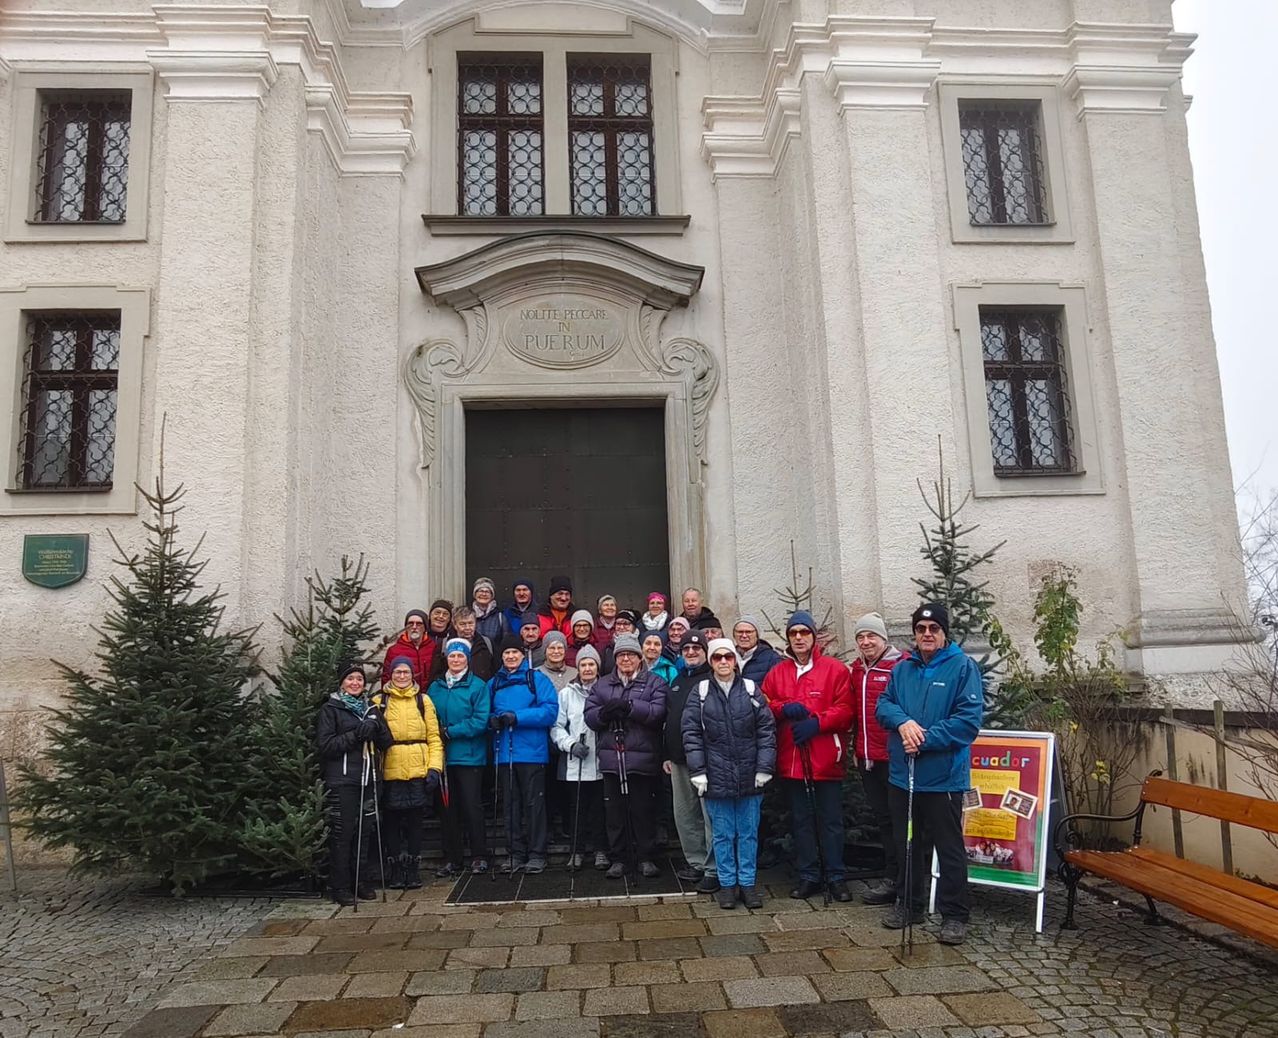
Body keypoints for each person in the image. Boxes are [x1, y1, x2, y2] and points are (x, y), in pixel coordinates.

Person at [875, 603, 983, 945]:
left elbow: (967, 722)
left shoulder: (962, 667)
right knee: (907, 842)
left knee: (948, 848)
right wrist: (903, 722)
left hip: (943, 778)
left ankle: (955, 914)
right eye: (921, 629)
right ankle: (910, 904)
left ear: (944, 633)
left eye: (933, 628)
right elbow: (884, 705)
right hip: (902, 775)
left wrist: (923, 738)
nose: (926, 634)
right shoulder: (902, 668)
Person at [762, 610, 854, 902]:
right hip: (793, 759)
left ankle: (836, 876)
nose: (799, 638)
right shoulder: (778, 671)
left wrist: (818, 722)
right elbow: (764, 702)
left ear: (813, 636)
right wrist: (782, 708)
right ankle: (809, 874)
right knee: (801, 820)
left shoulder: (835, 669)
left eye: (804, 632)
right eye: (794, 633)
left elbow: (846, 708)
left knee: (830, 820)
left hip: (825, 756)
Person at [683, 638, 777, 910]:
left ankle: (747, 884)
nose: (723, 662)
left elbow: (766, 730)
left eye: (728, 657)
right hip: (716, 774)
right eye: (717, 657)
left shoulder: (750, 690)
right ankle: (727, 885)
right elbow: (691, 733)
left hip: (749, 773)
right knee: (723, 834)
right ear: (711, 661)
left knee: (748, 833)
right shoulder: (700, 692)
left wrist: (764, 767)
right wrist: (698, 770)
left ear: (735, 660)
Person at [585, 633, 668, 878]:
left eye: (631, 655)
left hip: (642, 760)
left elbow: (658, 713)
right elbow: (590, 715)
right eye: (621, 655)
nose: (626, 659)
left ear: (640, 658)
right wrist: (604, 714)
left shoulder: (654, 682)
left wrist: (631, 707)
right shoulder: (602, 684)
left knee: (643, 810)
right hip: (613, 759)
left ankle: (646, 857)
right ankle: (618, 857)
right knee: (615, 813)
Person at [315, 663, 392, 905]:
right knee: (343, 834)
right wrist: (356, 734)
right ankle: (340, 885)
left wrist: (375, 727)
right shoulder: (331, 709)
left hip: (368, 778)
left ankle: (360, 880)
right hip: (343, 780)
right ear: (342, 683)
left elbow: (387, 740)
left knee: (364, 833)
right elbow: (326, 745)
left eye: (359, 679)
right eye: (350, 679)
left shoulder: (370, 708)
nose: (355, 683)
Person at [848, 612, 907, 905]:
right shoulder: (857, 669)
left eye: (871, 636)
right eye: (861, 637)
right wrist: (856, 749)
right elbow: (857, 715)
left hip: (894, 758)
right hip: (867, 757)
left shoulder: (900, 666)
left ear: (883, 638)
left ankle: (903, 879)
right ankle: (891, 875)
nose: (866, 641)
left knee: (900, 820)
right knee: (883, 819)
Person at [371, 657, 444, 890]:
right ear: (391, 675)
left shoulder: (424, 701)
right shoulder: (379, 701)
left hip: (417, 767)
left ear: (413, 675)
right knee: (391, 819)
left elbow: (434, 737)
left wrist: (434, 767)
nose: (401, 676)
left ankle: (412, 868)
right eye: (397, 672)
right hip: (390, 768)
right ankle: (395, 868)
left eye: (406, 672)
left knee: (415, 820)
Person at [489, 634, 560, 874]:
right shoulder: (494, 683)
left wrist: (518, 717)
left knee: (534, 805)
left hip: (532, 753)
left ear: (523, 655)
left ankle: (537, 853)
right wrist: (492, 721)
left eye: (515, 653)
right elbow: (484, 712)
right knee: (510, 807)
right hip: (504, 753)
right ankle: (515, 853)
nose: (510, 656)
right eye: (506, 653)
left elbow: (550, 711)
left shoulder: (536, 679)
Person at [426, 638, 492, 877]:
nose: (455, 660)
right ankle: (452, 857)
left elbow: (480, 720)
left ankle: (479, 855)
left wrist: (451, 731)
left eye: (460, 656)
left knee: (472, 807)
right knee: (447, 809)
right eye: (452, 656)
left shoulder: (478, 686)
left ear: (467, 659)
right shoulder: (435, 687)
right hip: (442, 757)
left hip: (469, 757)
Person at [663, 631, 719, 893]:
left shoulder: (713, 679)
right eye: (686, 649)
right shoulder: (677, 681)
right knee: (685, 814)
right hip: (678, 759)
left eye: (696, 649)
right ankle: (696, 862)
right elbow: (669, 719)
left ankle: (714, 868)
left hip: (707, 760)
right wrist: (667, 754)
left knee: (710, 817)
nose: (691, 653)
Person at [551, 645, 608, 870]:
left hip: (601, 761)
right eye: (583, 664)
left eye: (591, 664)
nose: (587, 668)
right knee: (576, 809)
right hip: (575, 762)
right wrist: (570, 745)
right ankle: (576, 850)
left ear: (597, 667)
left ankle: (601, 849)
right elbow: (557, 727)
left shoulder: (605, 690)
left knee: (599, 810)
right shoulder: (566, 693)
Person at [427, 605, 494, 683]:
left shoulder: (487, 643)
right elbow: (435, 676)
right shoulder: (444, 645)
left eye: (470, 623)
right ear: (455, 625)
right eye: (462, 624)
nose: (467, 628)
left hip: (481, 692)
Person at [381, 609, 433, 687]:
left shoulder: (433, 647)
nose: (414, 627)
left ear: (425, 628)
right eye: (410, 624)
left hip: (429, 696)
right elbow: (386, 678)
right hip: (403, 697)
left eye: (419, 624)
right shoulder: (394, 651)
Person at [734, 616, 783, 684]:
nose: (744, 636)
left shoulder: (772, 658)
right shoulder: (727, 656)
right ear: (734, 635)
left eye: (749, 632)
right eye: (740, 632)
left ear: (757, 635)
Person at [471, 576, 508, 645]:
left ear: (492, 595)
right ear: (475, 594)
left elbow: (505, 641)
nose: (484, 594)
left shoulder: (500, 617)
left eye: (487, 592)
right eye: (481, 591)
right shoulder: (468, 615)